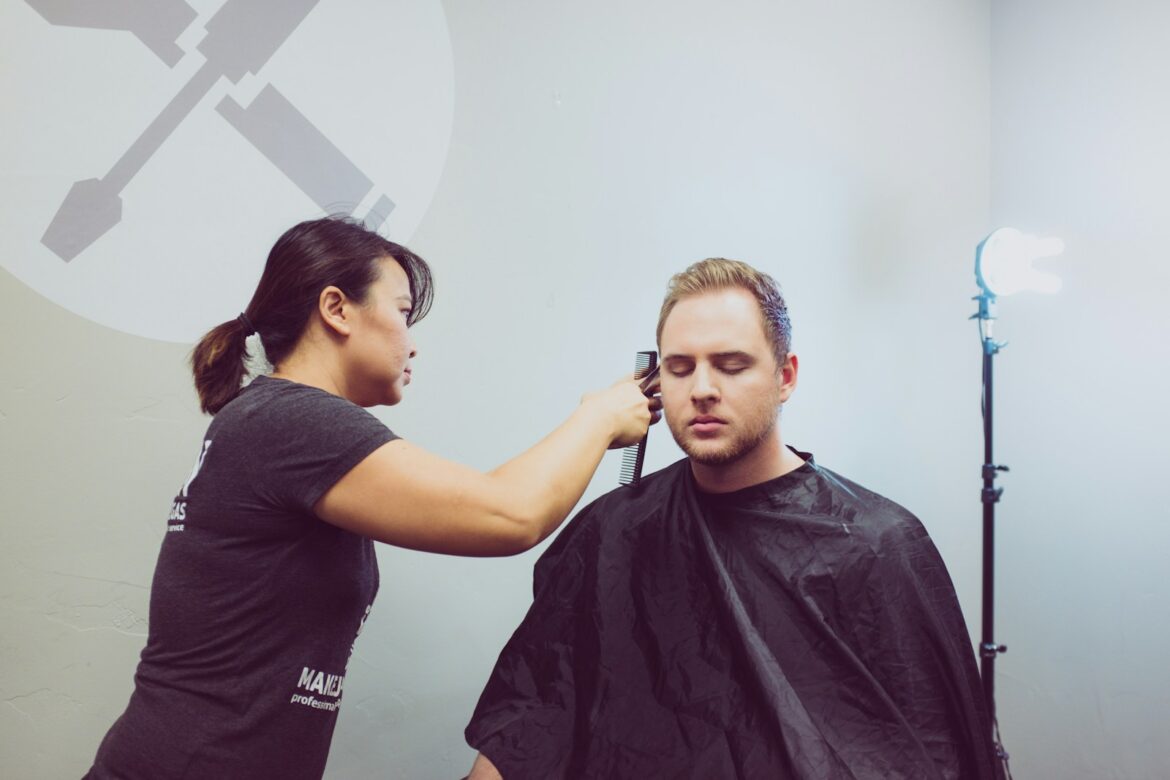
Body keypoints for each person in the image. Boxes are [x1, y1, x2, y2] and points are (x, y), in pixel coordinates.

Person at [83, 216, 659, 779]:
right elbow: (509, 514)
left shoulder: (268, 419)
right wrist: (598, 418)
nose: (413, 344)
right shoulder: (294, 421)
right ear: (336, 309)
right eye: (404, 313)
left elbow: (491, 499)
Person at [464, 258, 1003, 779]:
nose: (701, 389)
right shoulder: (610, 532)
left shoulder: (878, 543)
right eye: (680, 367)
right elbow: (532, 717)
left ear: (785, 376)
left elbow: (931, 750)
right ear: (653, 383)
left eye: (731, 365)